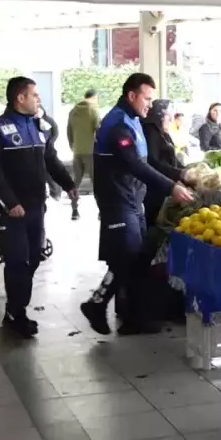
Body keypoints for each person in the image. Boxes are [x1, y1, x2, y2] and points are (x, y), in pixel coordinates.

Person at [80, 73, 194, 336]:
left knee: (136, 258)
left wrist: (180, 175)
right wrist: (171, 187)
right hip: (118, 201)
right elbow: (133, 164)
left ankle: (128, 315)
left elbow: (145, 162)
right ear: (132, 96)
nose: (150, 105)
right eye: (147, 98)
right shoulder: (117, 124)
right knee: (128, 257)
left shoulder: (132, 121)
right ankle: (100, 305)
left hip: (133, 200)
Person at [0, 76, 79, 338]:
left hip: (37, 208)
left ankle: (16, 307)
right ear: (20, 98)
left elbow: (50, 158)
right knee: (17, 261)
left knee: (34, 258)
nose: (38, 99)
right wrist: (10, 203)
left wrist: (68, 184)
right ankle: (16, 313)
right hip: (13, 211)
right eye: (34, 95)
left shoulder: (37, 126)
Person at [141, 99, 187, 220]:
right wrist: (180, 174)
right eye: (168, 116)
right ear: (158, 115)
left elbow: (172, 158)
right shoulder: (150, 132)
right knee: (154, 218)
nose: (172, 120)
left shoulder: (162, 132)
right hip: (156, 187)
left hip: (165, 184)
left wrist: (186, 171)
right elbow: (154, 162)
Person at [67, 89, 101, 220]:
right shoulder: (93, 111)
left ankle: (74, 211)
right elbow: (99, 131)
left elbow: (68, 131)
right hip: (91, 152)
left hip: (77, 152)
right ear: (94, 97)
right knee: (97, 183)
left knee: (75, 182)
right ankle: (101, 211)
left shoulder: (73, 111)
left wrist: (73, 146)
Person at [38, 107, 63, 201]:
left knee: (51, 172)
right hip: (38, 150)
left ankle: (56, 192)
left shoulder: (48, 120)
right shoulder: (32, 121)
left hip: (48, 149)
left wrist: (51, 142)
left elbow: (55, 132)